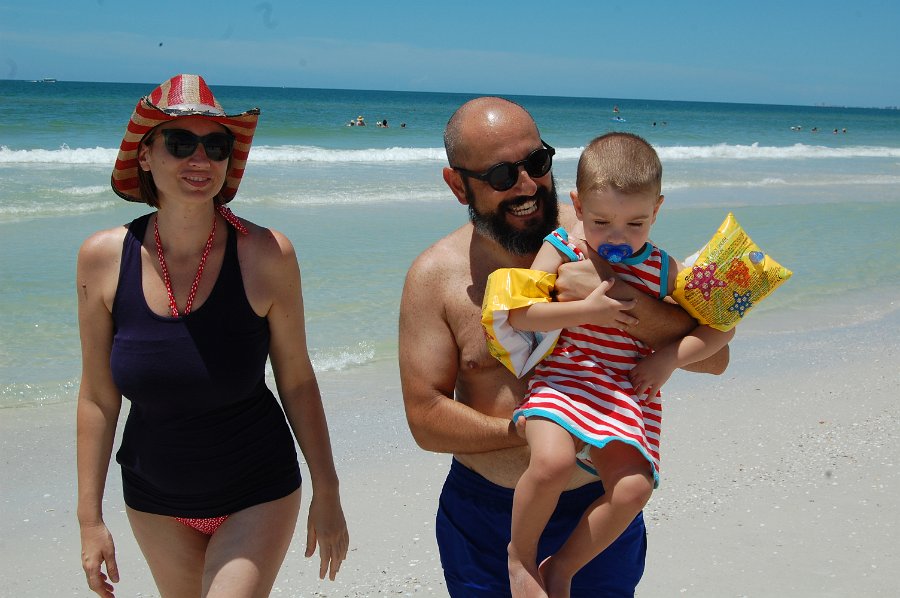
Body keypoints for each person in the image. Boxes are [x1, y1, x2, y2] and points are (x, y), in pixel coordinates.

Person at [398, 96, 729, 597]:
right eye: (501, 174)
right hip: (486, 518)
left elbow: (716, 357)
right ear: (457, 184)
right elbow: (425, 420)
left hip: (596, 512)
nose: (527, 185)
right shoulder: (435, 277)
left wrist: (622, 298)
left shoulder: (611, 229)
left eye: (537, 162)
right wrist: (538, 428)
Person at [76, 74, 349, 598]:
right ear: (145, 156)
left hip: (257, 487)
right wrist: (90, 519)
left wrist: (328, 489)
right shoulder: (101, 259)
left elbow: (297, 380)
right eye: (180, 143)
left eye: (216, 146)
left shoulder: (268, 254)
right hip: (153, 498)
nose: (200, 159)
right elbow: (96, 397)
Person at [498, 132, 734, 597]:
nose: (618, 238)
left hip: (623, 391)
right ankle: (520, 557)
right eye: (602, 221)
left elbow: (722, 328)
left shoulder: (663, 268)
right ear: (578, 206)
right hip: (564, 379)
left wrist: (668, 359)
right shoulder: (563, 246)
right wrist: (582, 310)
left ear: (657, 210)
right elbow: (520, 314)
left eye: (635, 223)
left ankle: (562, 568)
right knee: (551, 462)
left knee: (634, 489)